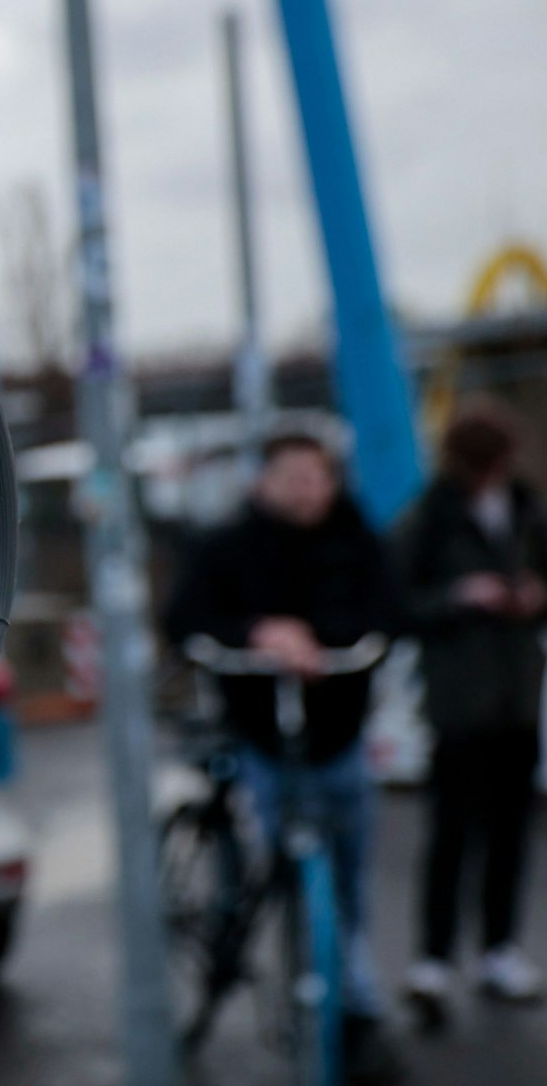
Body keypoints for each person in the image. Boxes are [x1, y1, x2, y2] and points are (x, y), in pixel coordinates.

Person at [163, 430, 400, 1076]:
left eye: (316, 475)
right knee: (261, 857)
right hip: (263, 736)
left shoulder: (357, 538)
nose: (306, 488)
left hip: (340, 736)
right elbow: (184, 618)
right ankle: (241, 931)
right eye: (292, 475)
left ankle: (352, 997)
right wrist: (258, 633)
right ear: (263, 480)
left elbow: (389, 610)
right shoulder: (227, 545)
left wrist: (320, 643)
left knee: (348, 879)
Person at [395, 404, 547, 1022]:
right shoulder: (428, 520)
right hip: (458, 701)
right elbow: (397, 601)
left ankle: (499, 949)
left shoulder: (528, 511)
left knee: (512, 831)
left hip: (516, 696)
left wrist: (533, 597)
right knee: (452, 834)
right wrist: (458, 598)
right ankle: (433, 958)